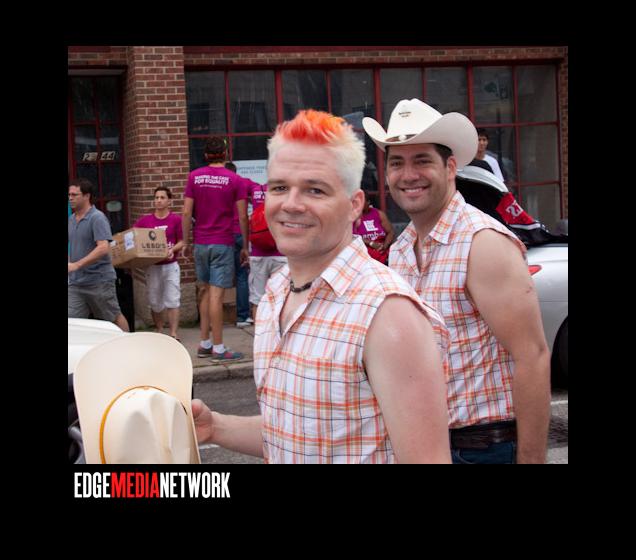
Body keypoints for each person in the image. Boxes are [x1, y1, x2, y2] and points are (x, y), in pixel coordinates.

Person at [191, 109, 451, 464]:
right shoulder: (276, 291)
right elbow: (294, 435)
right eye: (279, 188)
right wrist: (215, 428)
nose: (291, 204)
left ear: (354, 205)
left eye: (315, 190)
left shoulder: (388, 314)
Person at [362, 98, 551, 464]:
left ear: (449, 167)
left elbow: (532, 357)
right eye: (397, 163)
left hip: (484, 450)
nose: (408, 175)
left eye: (422, 161)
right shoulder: (401, 250)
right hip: (426, 447)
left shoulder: (482, 243)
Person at [182, 137, 249, 361]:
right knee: (216, 296)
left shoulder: (194, 176)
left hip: (201, 242)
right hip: (222, 241)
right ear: (226, 154)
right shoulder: (235, 179)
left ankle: (204, 343)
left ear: (205, 155)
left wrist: (185, 241)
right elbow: (242, 216)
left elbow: (186, 212)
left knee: (205, 291)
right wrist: (245, 245)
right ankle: (219, 348)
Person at [68, 178, 129, 332]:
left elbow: (103, 248)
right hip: (76, 283)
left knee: (113, 317)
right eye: (69, 195)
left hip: (99, 281)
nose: (70, 198)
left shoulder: (97, 218)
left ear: (86, 196)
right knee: (72, 322)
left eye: (74, 195)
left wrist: (77, 265)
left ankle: (127, 343)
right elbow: (74, 246)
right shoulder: (71, 220)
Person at [133, 187, 184, 340]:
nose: (159, 200)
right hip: (153, 266)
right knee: (155, 301)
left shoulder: (176, 220)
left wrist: (172, 249)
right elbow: (134, 235)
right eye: (156, 198)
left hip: (170, 265)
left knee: (173, 299)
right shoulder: (145, 221)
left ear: (169, 201)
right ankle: (159, 330)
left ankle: (173, 333)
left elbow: (182, 241)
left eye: (162, 197)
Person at [224, 162, 253, 328]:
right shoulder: (243, 182)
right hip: (240, 233)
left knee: (220, 276)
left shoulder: (220, 184)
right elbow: (261, 191)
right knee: (242, 276)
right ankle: (243, 316)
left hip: (224, 234)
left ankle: (214, 316)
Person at [352, 190, 395, 264]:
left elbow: (390, 232)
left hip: (384, 255)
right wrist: (371, 243)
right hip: (363, 257)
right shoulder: (352, 217)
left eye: (362, 202)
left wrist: (384, 246)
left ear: (368, 202)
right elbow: (351, 237)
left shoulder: (378, 214)